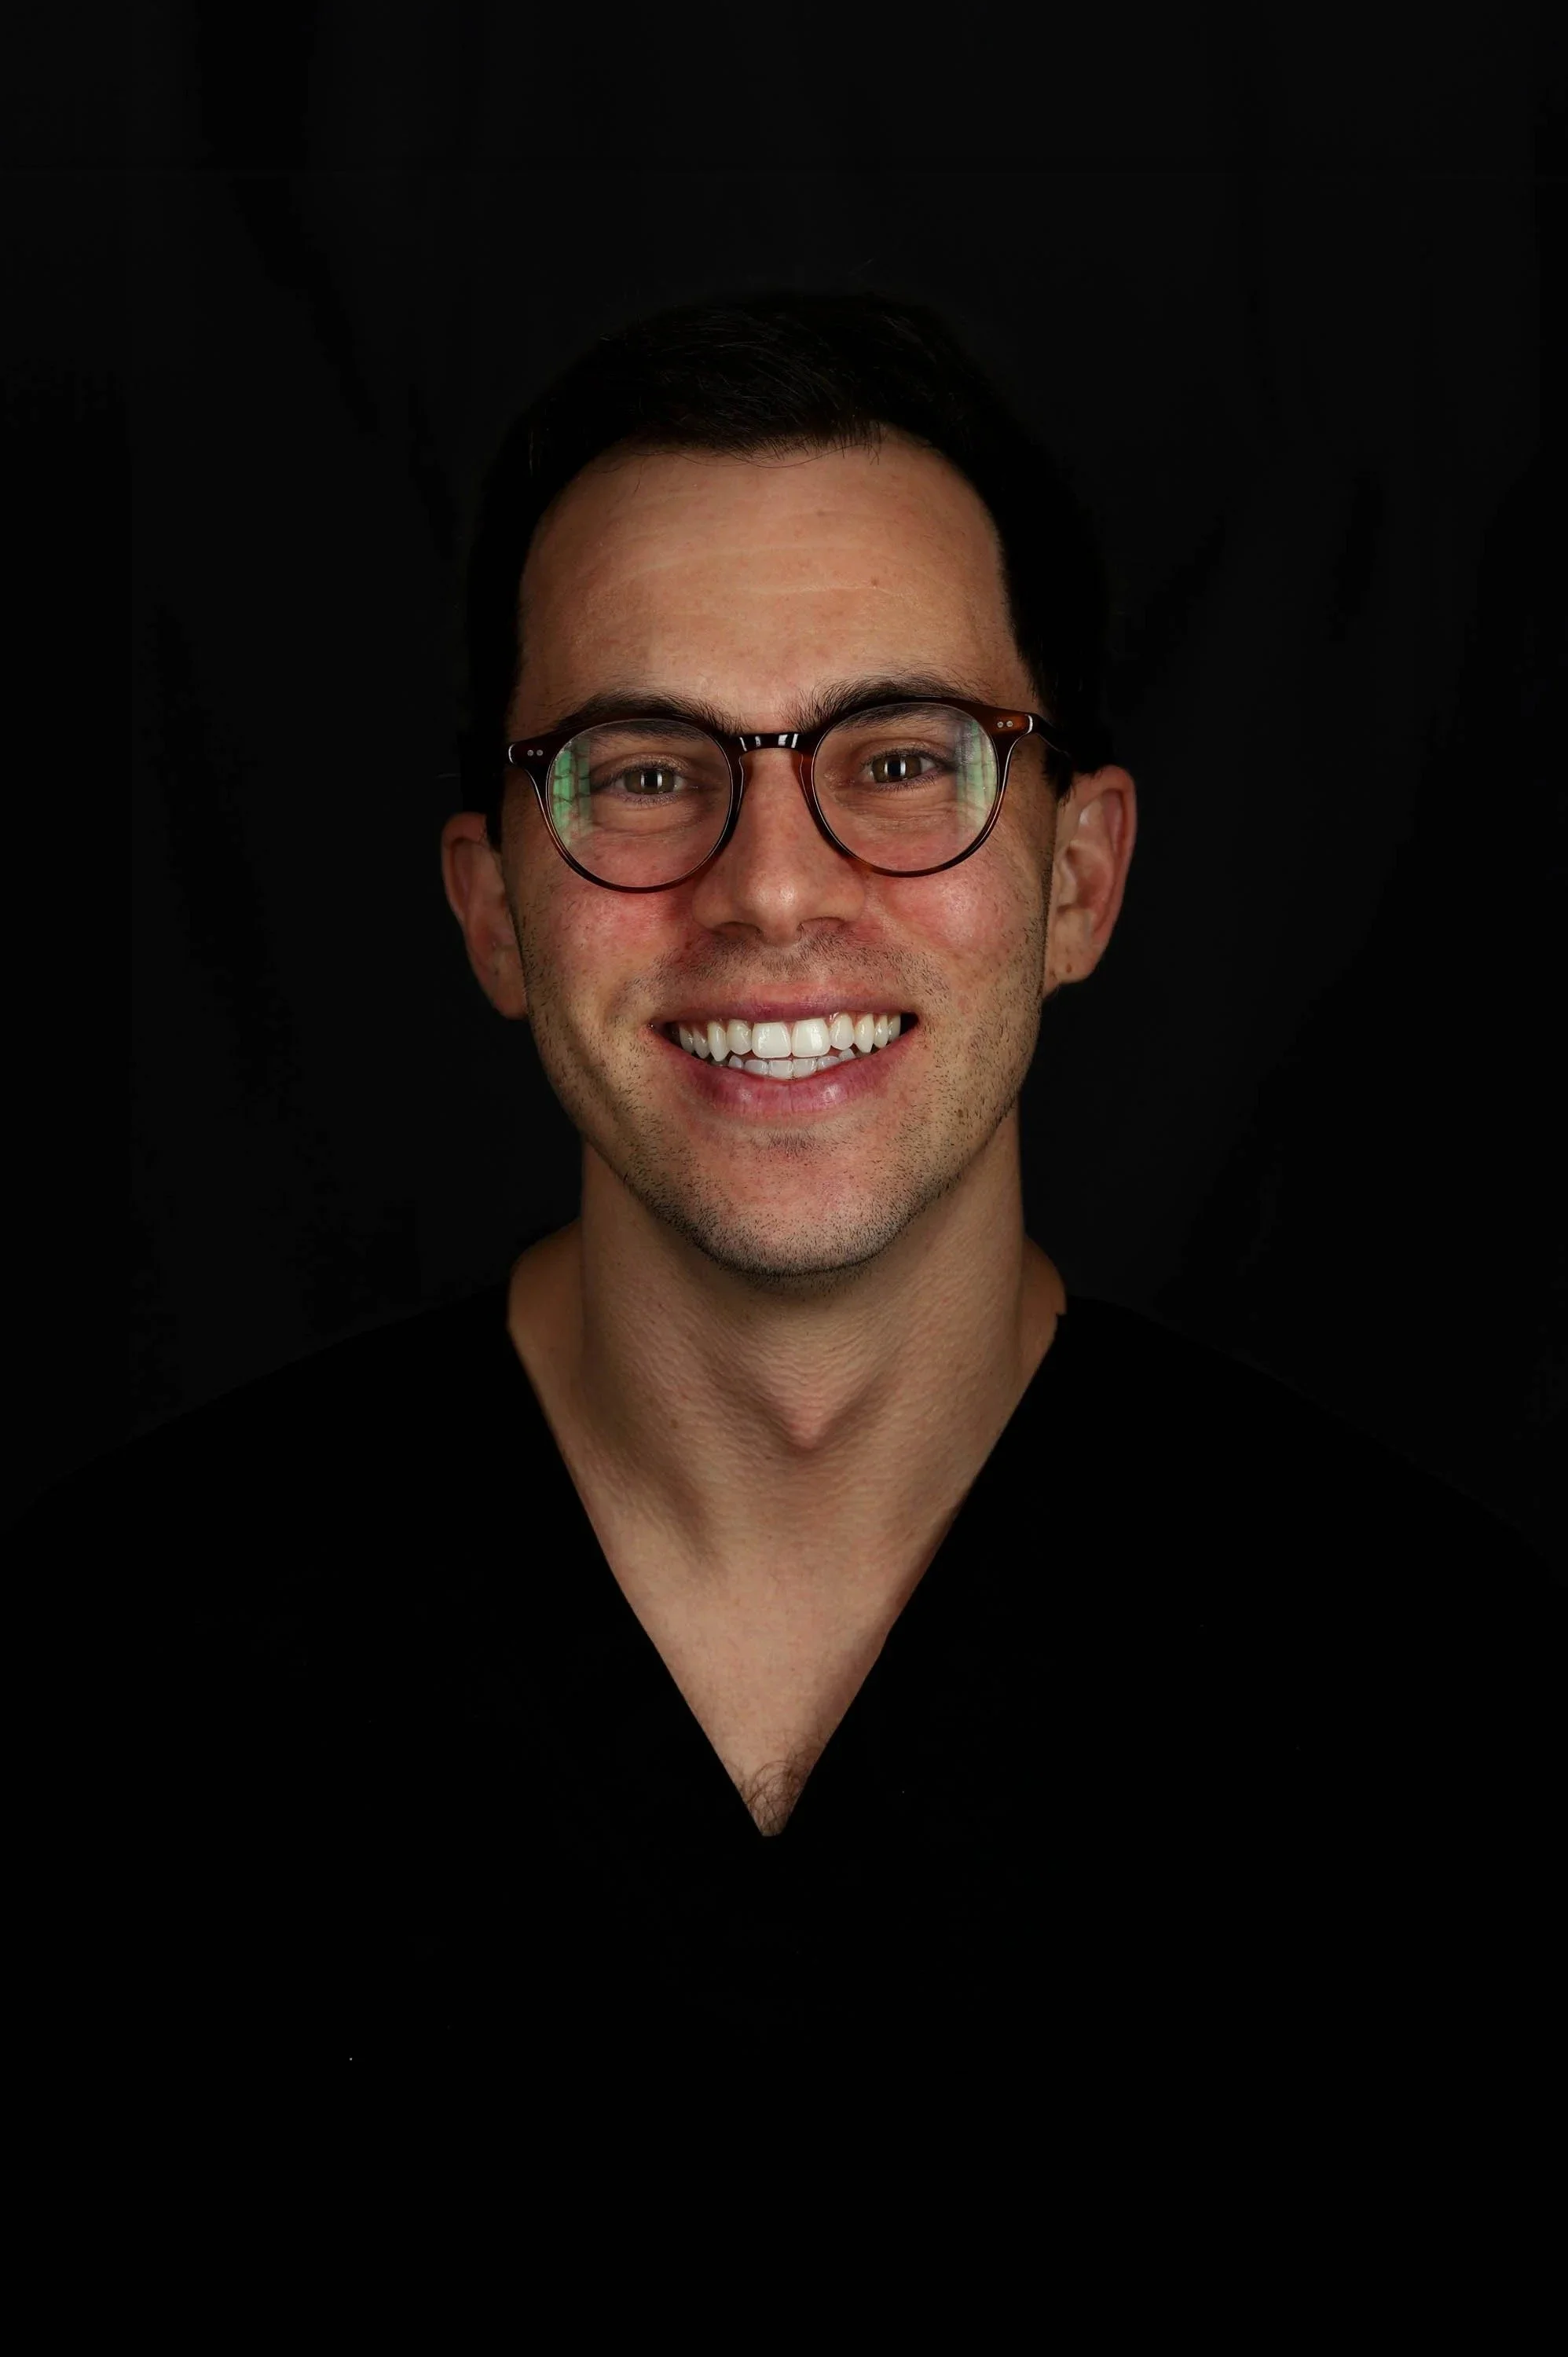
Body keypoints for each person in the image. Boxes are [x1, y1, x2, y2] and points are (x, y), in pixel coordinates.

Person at [31, 292, 1563, 2082]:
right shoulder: (101, 1680)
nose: (769, 891)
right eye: (645, 775)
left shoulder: (1453, 1705)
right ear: (492, 909)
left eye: (901, 761)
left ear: (1078, 881)